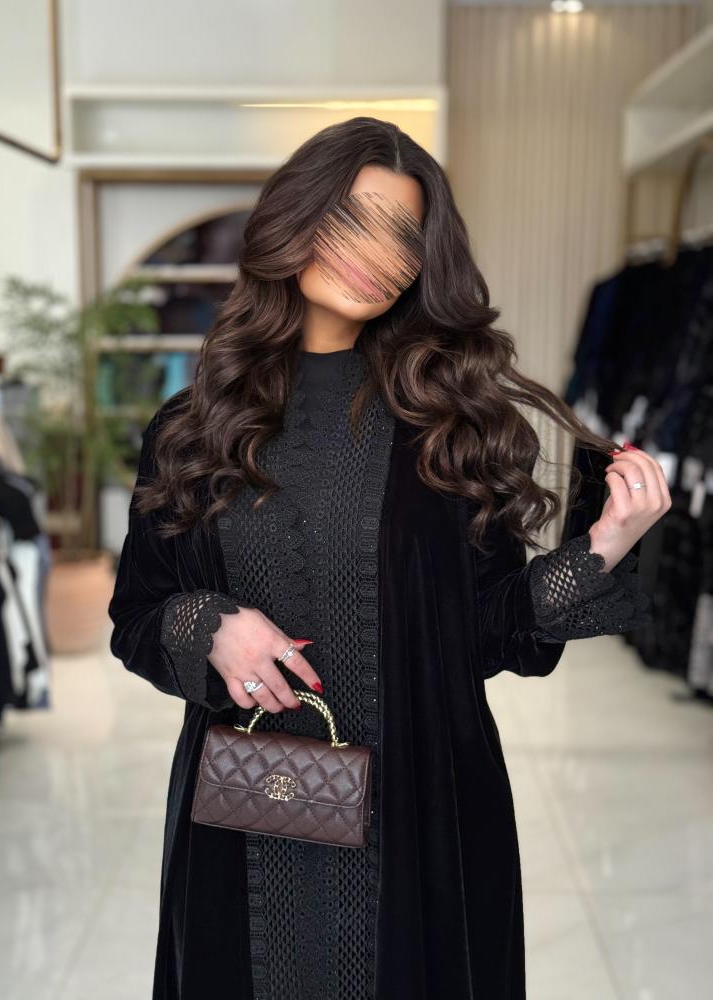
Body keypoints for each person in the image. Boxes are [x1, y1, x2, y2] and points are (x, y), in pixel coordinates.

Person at [108, 117, 669, 1000]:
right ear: (296, 216)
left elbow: (494, 631)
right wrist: (209, 625)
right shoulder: (195, 427)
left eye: (405, 237)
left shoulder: (448, 426)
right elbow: (137, 614)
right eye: (354, 218)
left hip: (421, 810)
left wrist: (603, 548)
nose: (379, 255)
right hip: (247, 814)